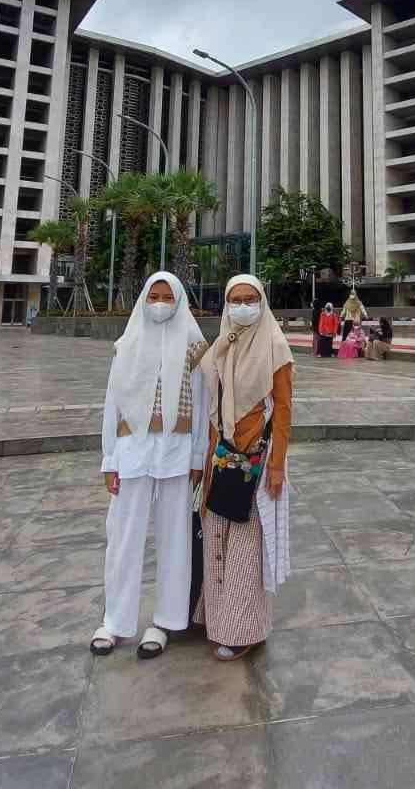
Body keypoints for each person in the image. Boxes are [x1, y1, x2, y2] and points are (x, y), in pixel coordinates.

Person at [90, 272, 209, 660]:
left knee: (174, 539)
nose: (159, 303)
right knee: (123, 537)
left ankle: (165, 621)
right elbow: (112, 403)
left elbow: (204, 403)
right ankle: (115, 621)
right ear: (143, 299)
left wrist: (196, 456)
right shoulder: (127, 345)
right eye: (153, 295)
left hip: (176, 451)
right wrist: (109, 458)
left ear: (177, 301)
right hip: (131, 452)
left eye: (166, 296)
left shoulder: (194, 346)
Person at [194, 274, 293, 662]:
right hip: (220, 460)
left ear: (262, 303)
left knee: (245, 548)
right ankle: (217, 619)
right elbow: (214, 412)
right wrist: (204, 462)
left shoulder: (276, 347)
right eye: (236, 299)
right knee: (216, 540)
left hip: (258, 463)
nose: (243, 306)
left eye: (251, 299)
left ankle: (243, 630)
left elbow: (283, 412)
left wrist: (277, 467)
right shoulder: (221, 347)